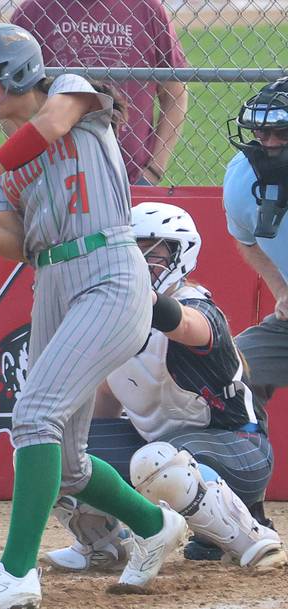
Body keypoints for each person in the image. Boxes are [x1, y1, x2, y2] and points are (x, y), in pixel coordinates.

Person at [0, 24, 187, 609]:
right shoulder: (3, 163)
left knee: (33, 415)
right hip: (53, 282)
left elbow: (52, 125)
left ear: (17, 70)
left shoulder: (71, 93)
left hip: (109, 269)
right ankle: (154, 526)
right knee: (64, 462)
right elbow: (14, 241)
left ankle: (15, 576)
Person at [43, 202, 286, 572]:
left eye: (151, 250)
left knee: (160, 459)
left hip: (240, 451)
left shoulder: (199, 308)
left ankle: (252, 538)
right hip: (160, 453)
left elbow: (188, 326)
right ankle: (102, 543)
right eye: (130, 250)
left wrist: (136, 294)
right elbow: (109, 395)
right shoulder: (116, 321)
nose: (139, 260)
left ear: (181, 253)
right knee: (52, 448)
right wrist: (81, 453)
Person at [11, 0, 189, 185]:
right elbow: (8, 99)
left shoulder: (146, 8)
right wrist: (31, 167)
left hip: (130, 179)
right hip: (54, 176)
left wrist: (153, 171)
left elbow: (174, 94)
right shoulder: (33, 11)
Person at [225, 77, 288, 404]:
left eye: (283, 133)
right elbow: (247, 241)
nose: (270, 144)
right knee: (227, 374)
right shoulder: (242, 179)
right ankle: (243, 451)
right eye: (261, 133)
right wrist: (281, 291)